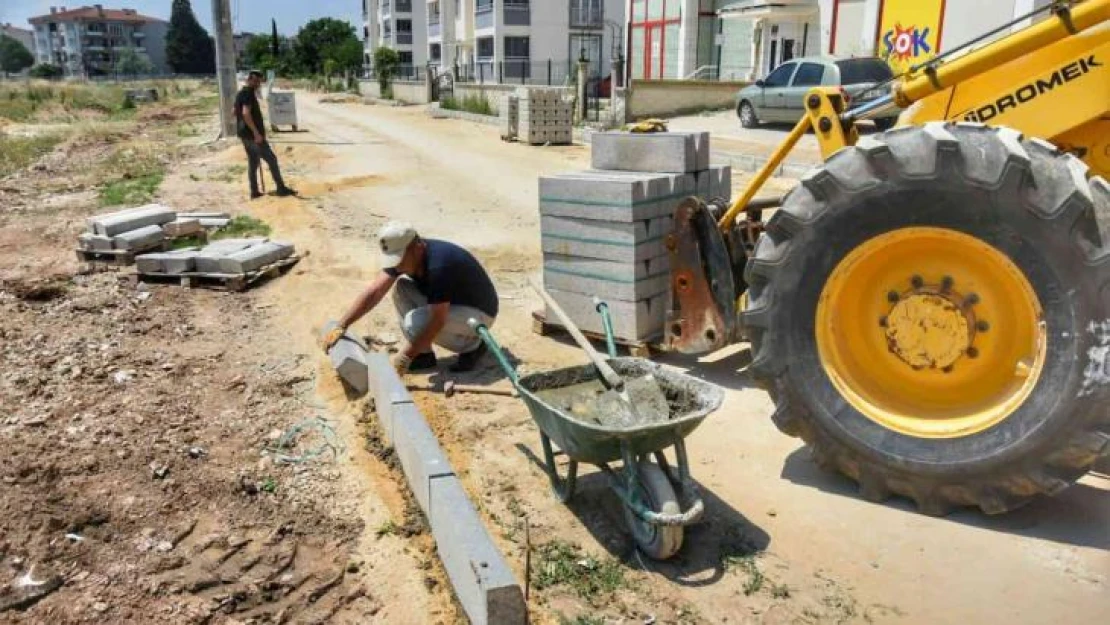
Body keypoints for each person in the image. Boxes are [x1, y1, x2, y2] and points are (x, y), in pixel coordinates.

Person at [323, 222, 499, 374]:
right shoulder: (405, 256)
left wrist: (405, 357)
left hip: (479, 314)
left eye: (399, 257)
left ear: (417, 247)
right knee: (402, 289)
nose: (396, 264)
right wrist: (342, 325)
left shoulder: (438, 266)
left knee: (414, 322)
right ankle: (424, 355)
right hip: (455, 304)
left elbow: (437, 320)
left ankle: (473, 347)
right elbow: (375, 291)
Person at [235, 70, 297, 199]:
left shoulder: (241, 93)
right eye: (256, 81)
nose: (258, 84)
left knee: (253, 162)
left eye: (260, 81)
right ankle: (281, 188)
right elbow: (246, 113)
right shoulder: (247, 94)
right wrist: (256, 132)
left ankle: (254, 191)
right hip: (253, 136)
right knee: (271, 160)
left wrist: (243, 123)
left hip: (244, 134)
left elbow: (234, 112)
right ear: (250, 80)